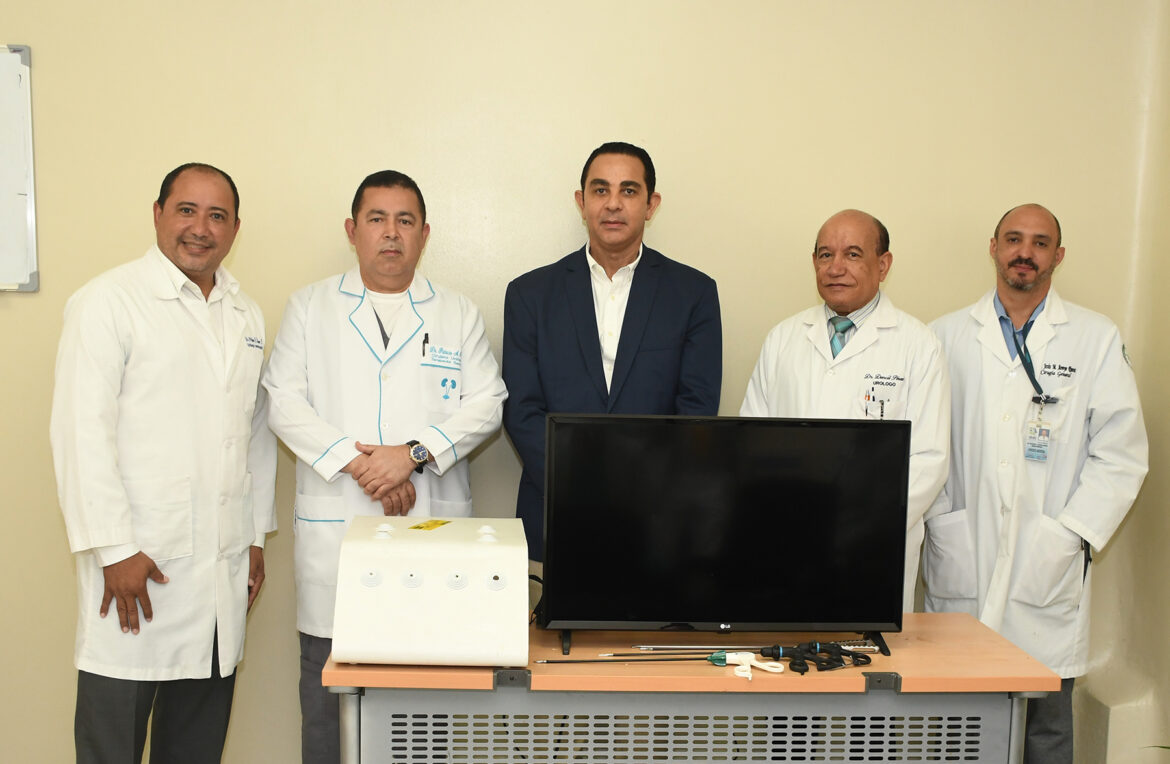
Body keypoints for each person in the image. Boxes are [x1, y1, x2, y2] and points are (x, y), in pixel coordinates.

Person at [263, 170, 507, 764]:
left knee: (424, 713)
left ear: (425, 234)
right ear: (353, 231)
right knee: (328, 706)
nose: (391, 233)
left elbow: (488, 403)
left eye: (405, 221)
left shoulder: (456, 312)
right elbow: (283, 402)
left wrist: (412, 456)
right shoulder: (310, 307)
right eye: (377, 219)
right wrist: (361, 464)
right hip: (337, 533)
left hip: (430, 531)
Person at [50, 163, 277, 763]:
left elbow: (252, 435)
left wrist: (254, 536)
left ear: (235, 229)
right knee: (112, 746)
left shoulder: (245, 314)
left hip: (219, 577)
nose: (201, 228)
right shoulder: (109, 302)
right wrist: (114, 550)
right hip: (136, 572)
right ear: (157, 214)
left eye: (217, 216)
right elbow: (79, 432)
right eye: (186, 210)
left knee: (195, 748)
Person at [924, 203, 1148, 763]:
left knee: (1045, 728)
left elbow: (1121, 454)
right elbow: (925, 444)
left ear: (1058, 256)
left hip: (1047, 559)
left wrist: (1069, 534)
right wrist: (942, 518)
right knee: (955, 730)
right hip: (964, 553)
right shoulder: (944, 336)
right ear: (994, 247)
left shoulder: (1094, 338)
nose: (1025, 252)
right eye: (1014, 239)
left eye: (1040, 242)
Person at [503, 141, 722, 559]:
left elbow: (696, 407)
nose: (613, 204)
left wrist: (638, 489)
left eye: (629, 190)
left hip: (658, 515)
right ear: (581, 201)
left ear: (651, 205)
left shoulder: (693, 294)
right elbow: (521, 409)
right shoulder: (530, 294)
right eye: (600, 190)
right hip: (555, 508)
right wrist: (579, 484)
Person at [740, 209, 949, 611]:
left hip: (874, 545)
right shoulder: (783, 339)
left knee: (867, 646)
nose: (836, 268)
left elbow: (929, 459)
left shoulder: (918, 346)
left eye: (853, 254)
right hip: (785, 537)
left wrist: (857, 524)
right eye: (825, 255)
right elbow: (751, 440)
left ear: (883, 265)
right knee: (784, 641)